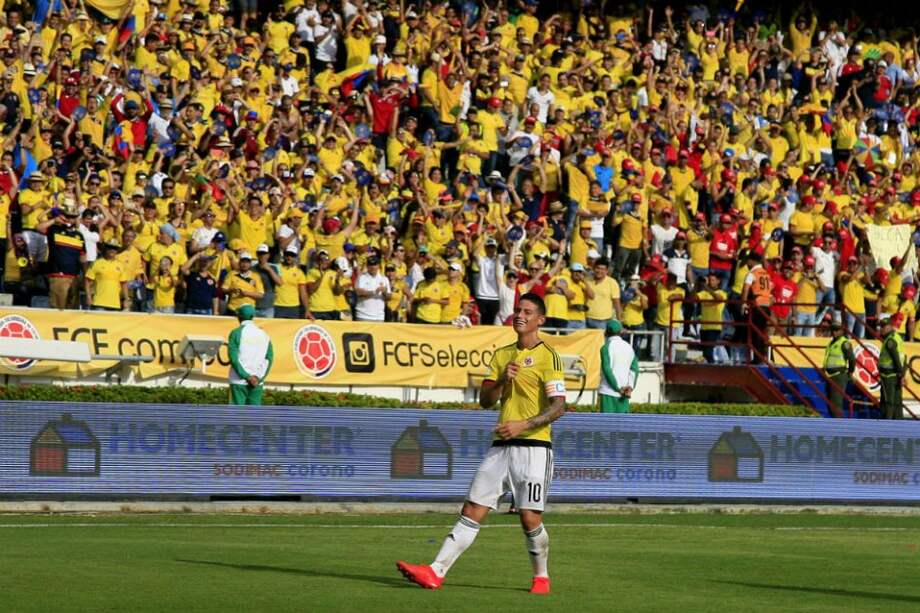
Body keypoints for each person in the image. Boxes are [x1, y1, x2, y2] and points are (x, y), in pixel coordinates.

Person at [397, 293, 566, 594]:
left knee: (529, 518)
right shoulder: (502, 355)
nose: (520, 315)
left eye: (527, 312)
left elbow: (558, 406)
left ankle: (541, 577)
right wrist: (501, 380)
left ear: (540, 320)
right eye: (518, 310)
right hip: (500, 445)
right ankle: (435, 571)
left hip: (535, 448)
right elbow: (486, 401)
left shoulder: (548, 356)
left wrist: (523, 425)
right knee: (473, 507)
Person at [227, 304, 274, 406]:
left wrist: (247, 377)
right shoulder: (264, 334)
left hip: (238, 381)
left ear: (238, 317)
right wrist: (258, 378)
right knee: (253, 414)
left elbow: (233, 358)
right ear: (253, 317)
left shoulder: (235, 333)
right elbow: (269, 359)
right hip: (257, 382)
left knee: (235, 414)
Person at [598, 320, 639, 413]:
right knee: (622, 422)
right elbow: (635, 370)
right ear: (621, 332)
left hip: (608, 392)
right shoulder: (629, 347)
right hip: (624, 394)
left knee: (606, 422)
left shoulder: (605, 348)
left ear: (606, 332)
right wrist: (630, 387)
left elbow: (607, 370)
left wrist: (617, 388)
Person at [822, 322, 855, 419]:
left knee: (836, 403)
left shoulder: (844, 343)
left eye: (837, 330)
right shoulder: (832, 342)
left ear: (842, 331)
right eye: (833, 330)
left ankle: (838, 424)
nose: (834, 332)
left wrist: (850, 372)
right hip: (830, 375)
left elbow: (852, 359)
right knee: (830, 402)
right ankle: (834, 422)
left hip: (838, 375)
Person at [878, 314, 906, 420]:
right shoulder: (897, 337)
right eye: (881, 326)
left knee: (887, 401)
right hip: (896, 374)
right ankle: (899, 423)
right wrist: (902, 374)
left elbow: (896, 358)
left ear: (890, 326)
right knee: (897, 401)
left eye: (884, 326)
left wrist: (901, 375)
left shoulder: (890, 341)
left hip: (888, 375)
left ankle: (887, 424)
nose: (881, 329)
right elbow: (904, 357)